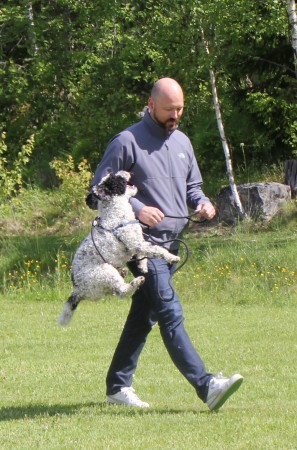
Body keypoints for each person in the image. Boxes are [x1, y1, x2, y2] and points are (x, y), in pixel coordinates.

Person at [91, 77, 243, 411]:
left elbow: (194, 187)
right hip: (139, 245)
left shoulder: (183, 142)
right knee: (170, 311)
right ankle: (208, 387)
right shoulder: (127, 141)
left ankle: (118, 386)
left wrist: (203, 202)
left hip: (171, 245)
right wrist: (137, 208)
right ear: (151, 104)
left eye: (180, 109)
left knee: (144, 316)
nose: (175, 115)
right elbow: (98, 191)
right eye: (169, 109)